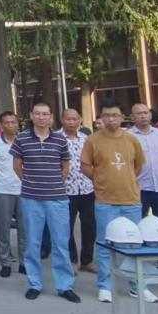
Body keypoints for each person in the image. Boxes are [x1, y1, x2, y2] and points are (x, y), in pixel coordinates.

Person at [80, 100, 150, 303]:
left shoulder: (131, 139)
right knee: (104, 244)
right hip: (105, 200)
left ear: (122, 117)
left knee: (133, 245)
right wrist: (101, 180)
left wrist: (125, 179)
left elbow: (138, 166)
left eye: (115, 115)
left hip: (131, 200)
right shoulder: (93, 140)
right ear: (101, 117)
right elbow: (85, 166)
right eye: (106, 115)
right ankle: (105, 286)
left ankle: (137, 285)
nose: (110, 119)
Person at [11, 102, 76, 303]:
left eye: (45, 114)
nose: (41, 117)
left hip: (57, 198)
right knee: (33, 243)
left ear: (51, 117)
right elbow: (17, 166)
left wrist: (53, 183)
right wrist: (31, 183)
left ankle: (64, 286)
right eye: (37, 113)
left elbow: (65, 166)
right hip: (31, 199)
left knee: (61, 243)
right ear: (31, 115)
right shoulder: (22, 138)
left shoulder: (60, 139)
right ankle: (35, 284)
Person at [0, 111, 24, 278]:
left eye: (13, 122)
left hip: (24, 190)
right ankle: (5, 262)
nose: (10, 125)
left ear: (17, 124)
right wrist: (0, 179)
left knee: (25, 229)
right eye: (7, 123)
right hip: (2, 190)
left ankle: (24, 262)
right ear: (1, 125)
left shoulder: (24, 141)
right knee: (4, 228)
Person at [59, 108, 94, 274]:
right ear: (62, 120)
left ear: (80, 120)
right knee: (67, 227)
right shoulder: (56, 138)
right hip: (65, 190)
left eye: (75, 119)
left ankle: (87, 260)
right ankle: (72, 260)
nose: (71, 122)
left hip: (87, 188)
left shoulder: (87, 139)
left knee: (90, 226)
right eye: (68, 119)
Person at [129, 103, 158, 221]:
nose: (143, 116)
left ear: (150, 115)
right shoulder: (127, 136)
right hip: (139, 188)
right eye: (139, 113)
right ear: (132, 117)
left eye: (145, 113)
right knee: (138, 223)